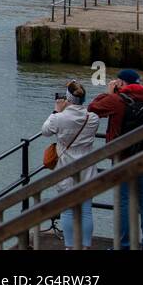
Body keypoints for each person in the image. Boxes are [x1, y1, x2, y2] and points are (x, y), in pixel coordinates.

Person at [89, 69, 143, 249]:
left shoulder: (116, 100)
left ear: (121, 83)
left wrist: (109, 93)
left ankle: (124, 245)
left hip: (123, 158)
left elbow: (93, 108)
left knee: (124, 202)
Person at [42, 80, 99, 248]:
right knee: (86, 210)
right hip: (87, 166)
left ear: (67, 98)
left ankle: (69, 246)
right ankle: (86, 245)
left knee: (67, 209)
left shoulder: (59, 118)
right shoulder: (93, 118)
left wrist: (56, 110)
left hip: (65, 166)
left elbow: (45, 131)